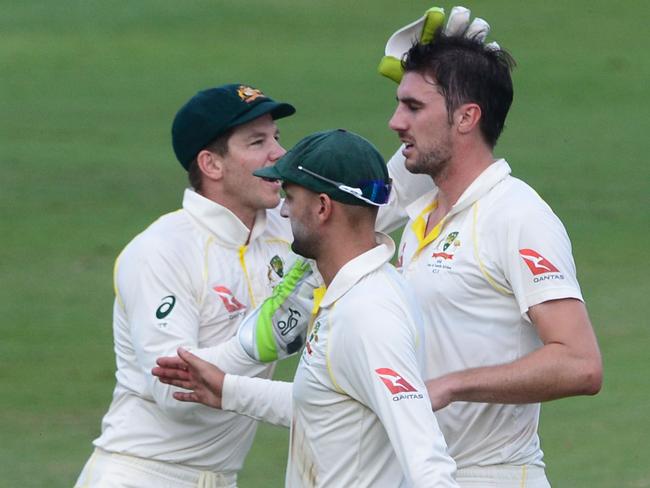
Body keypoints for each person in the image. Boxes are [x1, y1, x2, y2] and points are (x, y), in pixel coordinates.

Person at [155, 129, 459, 487]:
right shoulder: (350, 295)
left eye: (291, 196)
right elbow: (325, 404)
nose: (283, 210)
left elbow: (426, 458)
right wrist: (227, 389)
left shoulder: (368, 314)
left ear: (322, 207)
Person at [387, 32, 603, 486]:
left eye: (413, 107)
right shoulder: (421, 216)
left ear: (466, 117)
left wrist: (452, 385)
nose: (395, 122)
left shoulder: (517, 217)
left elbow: (580, 363)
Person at [74, 83, 302, 488]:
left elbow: (372, 203)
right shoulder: (161, 251)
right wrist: (256, 343)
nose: (279, 154)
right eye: (257, 142)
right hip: (139, 475)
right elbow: (174, 395)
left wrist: (439, 88)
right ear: (211, 165)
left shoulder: (285, 232)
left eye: (277, 138)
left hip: (223, 478)